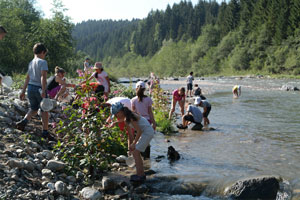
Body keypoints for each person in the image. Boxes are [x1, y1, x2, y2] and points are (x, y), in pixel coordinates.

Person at [16, 43, 55, 141]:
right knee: (44, 110)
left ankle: (24, 121)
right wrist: (43, 89)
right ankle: (45, 132)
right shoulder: (43, 62)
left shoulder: (31, 62)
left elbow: (27, 77)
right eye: (44, 54)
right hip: (39, 88)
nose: (44, 55)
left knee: (33, 108)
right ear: (42, 52)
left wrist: (23, 91)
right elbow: (43, 76)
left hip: (30, 88)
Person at [110, 102, 154, 182]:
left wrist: (134, 143)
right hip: (145, 132)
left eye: (116, 115)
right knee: (135, 152)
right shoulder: (126, 119)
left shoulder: (130, 117)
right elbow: (130, 135)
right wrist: (129, 147)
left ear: (120, 112)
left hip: (147, 132)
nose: (116, 117)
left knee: (136, 152)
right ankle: (141, 174)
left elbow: (139, 131)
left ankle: (140, 175)